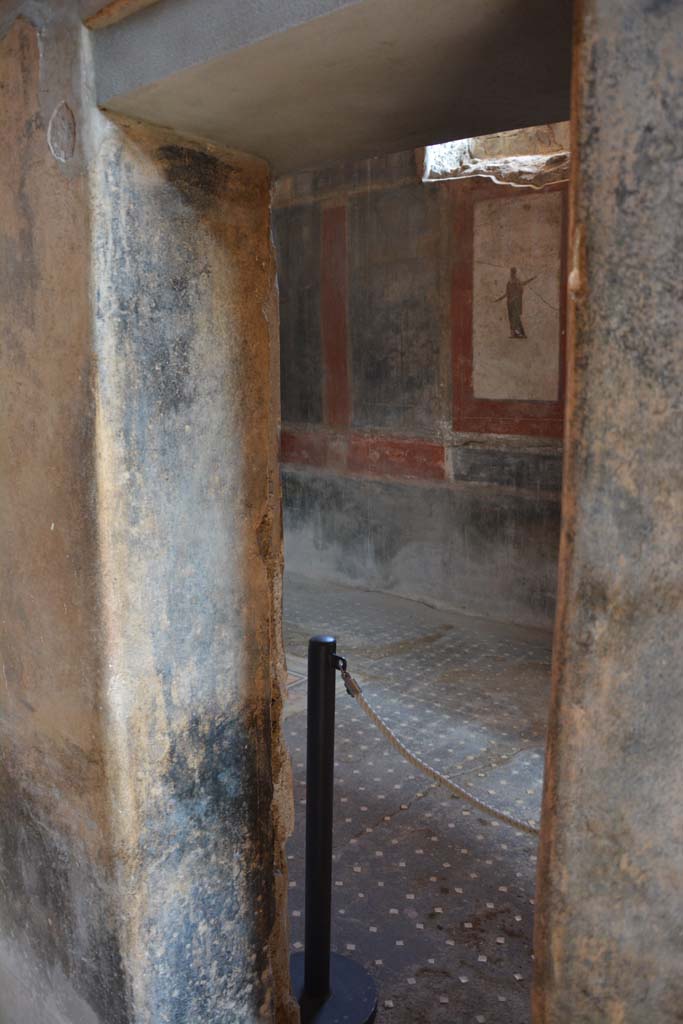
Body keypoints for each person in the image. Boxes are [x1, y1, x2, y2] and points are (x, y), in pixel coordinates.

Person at [494, 267, 537, 338]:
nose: (512, 273)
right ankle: (516, 334)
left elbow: (522, 286)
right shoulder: (509, 282)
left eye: (513, 272)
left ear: (515, 273)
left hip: (515, 302)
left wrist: (532, 279)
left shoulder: (517, 281)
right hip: (509, 303)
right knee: (511, 318)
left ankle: (519, 334)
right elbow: (507, 293)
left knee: (516, 318)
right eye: (511, 272)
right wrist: (499, 299)